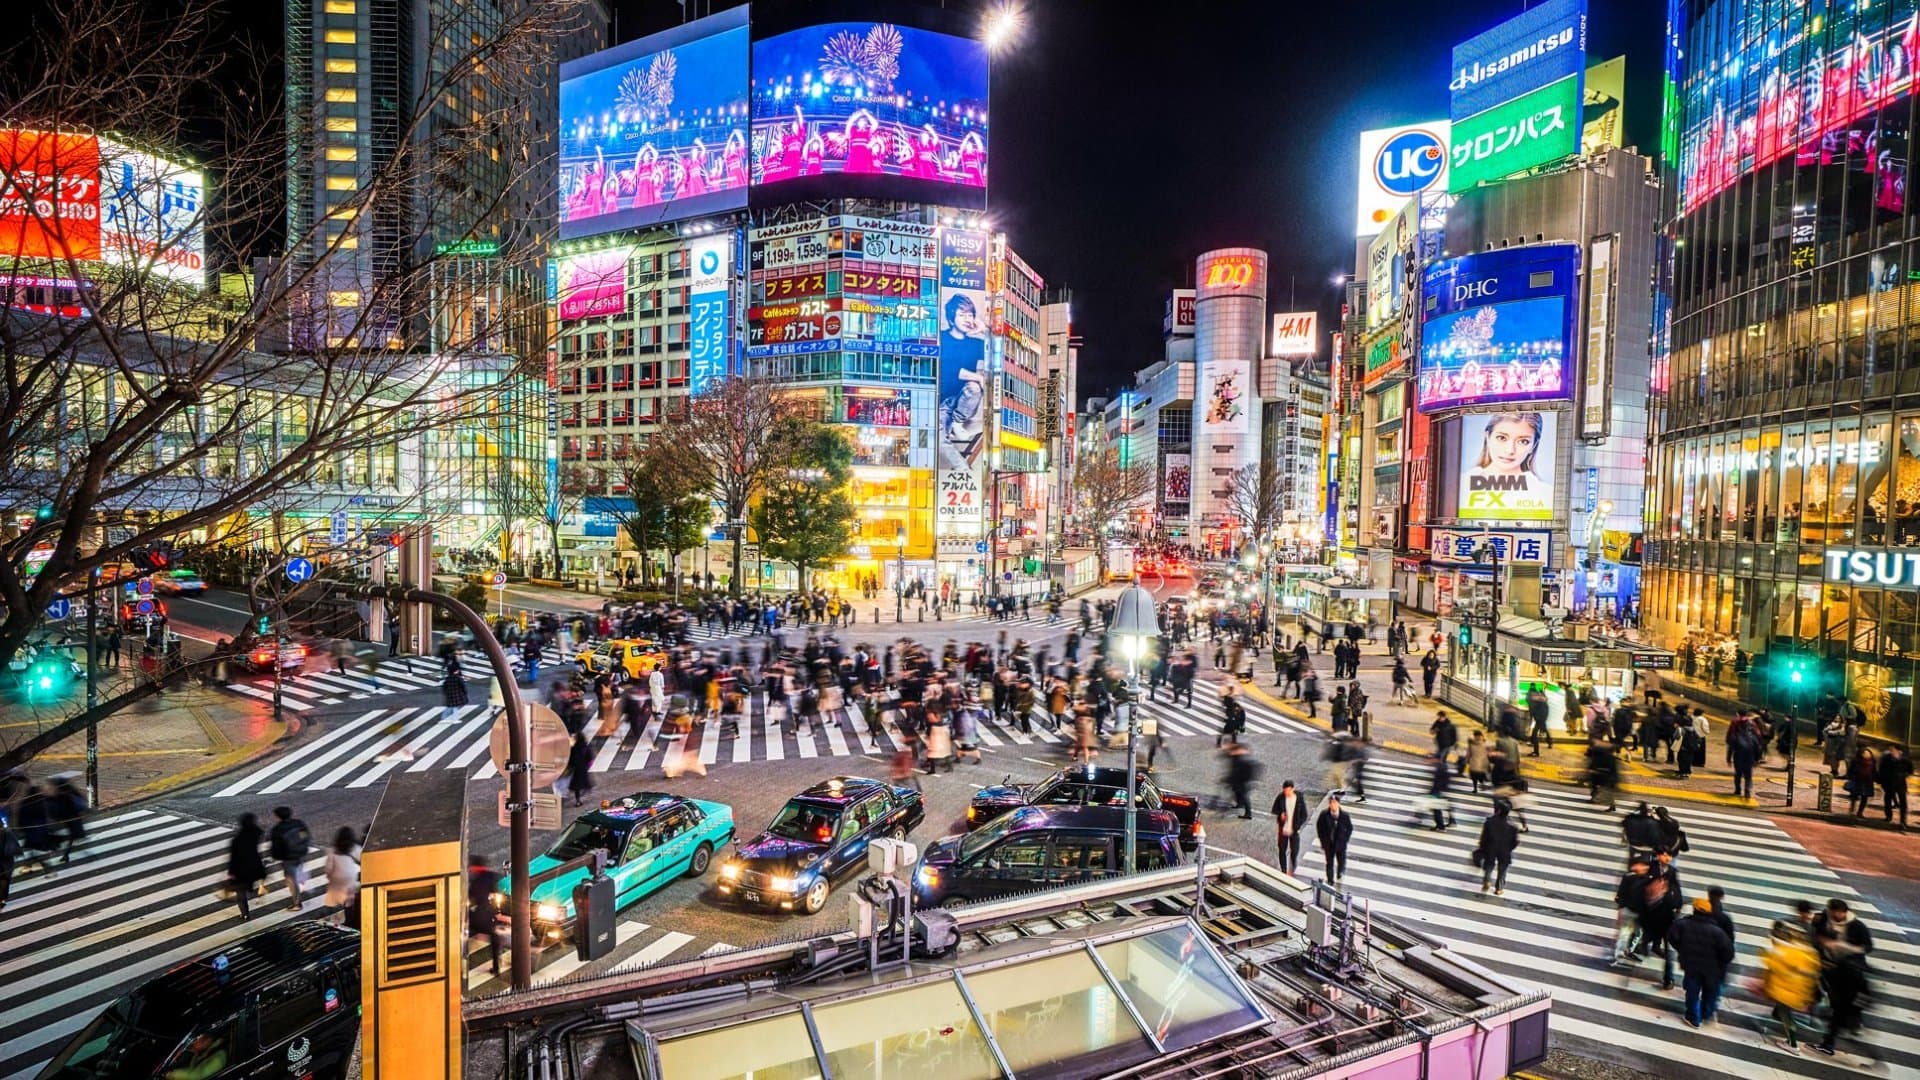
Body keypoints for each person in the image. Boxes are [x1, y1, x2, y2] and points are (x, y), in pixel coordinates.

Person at [1813, 898, 1874, 1057]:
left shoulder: (1857, 926)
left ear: (1845, 912)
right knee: (1837, 1002)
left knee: (1842, 1006)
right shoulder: (1822, 920)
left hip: (1848, 971)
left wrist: (1847, 948)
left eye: (1839, 913)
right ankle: (1842, 1026)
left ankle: (1831, 1040)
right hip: (1829, 967)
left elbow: (1867, 946)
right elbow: (1816, 937)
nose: (1836, 915)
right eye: (1833, 912)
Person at [1760, 901, 1822, 1052]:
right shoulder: (1807, 949)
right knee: (1782, 1008)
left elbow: (1773, 961)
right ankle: (1777, 1013)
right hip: (1798, 985)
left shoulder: (1786, 951)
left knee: (1786, 1012)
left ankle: (1792, 1044)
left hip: (1786, 987)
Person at [1666, 897, 1735, 1028]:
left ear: (1695, 910)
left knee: (1692, 991)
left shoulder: (1683, 924)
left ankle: (1693, 1017)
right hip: (1712, 969)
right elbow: (1728, 953)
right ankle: (1706, 1013)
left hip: (1691, 966)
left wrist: (1682, 949)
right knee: (1710, 991)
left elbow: (1672, 937)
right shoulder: (1717, 932)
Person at [267, 805, 311, 913]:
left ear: (278, 817)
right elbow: (306, 835)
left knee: (291, 880)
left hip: (288, 858)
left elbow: (276, 848)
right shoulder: (298, 823)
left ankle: (297, 903)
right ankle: (300, 884)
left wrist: (275, 857)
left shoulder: (278, 829)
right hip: (301, 853)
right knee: (297, 872)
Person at [468, 854, 505, 977]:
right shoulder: (492, 876)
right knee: (494, 938)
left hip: (480, 915)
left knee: (469, 931)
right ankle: (496, 966)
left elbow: (471, 898)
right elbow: (496, 893)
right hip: (489, 914)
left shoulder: (476, 882)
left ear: (475, 867)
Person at [225, 813, 268, 921]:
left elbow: (234, 858)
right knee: (249, 884)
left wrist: (231, 872)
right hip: (255, 864)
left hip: (240, 868)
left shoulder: (237, 839)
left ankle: (245, 913)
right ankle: (252, 890)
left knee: (240, 892)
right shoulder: (256, 833)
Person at [1476, 798, 1520, 895]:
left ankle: (1487, 880)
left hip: (1491, 848)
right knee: (1503, 869)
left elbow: (1484, 837)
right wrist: (1509, 848)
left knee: (1489, 865)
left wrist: (1482, 846)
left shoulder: (1489, 822)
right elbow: (1515, 842)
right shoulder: (1513, 826)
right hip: (1504, 850)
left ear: (1498, 810)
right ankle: (1499, 888)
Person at [324, 826, 361, 928]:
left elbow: (328, 868)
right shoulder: (356, 848)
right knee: (352, 900)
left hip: (338, 879)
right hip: (350, 878)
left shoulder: (333, 850)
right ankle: (353, 921)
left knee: (345, 900)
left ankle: (347, 920)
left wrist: (329, 877)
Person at [1316, 791, 1353, 886]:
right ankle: (1330, 879)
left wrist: (1345, 839)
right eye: (1331, 803)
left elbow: (1349, 828)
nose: (1333, 805)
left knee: (1341, 860)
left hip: (1340, 843)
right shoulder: (1324, 815)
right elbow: (1319, 828)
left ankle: (1340, 872)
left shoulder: (1344, 815)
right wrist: (1323, 841)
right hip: (1329, 844)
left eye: (1335, 803)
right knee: (1329, 862)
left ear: (1338, 803)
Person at [1272, 780, 1308, 876]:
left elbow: (1304, 814)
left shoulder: (1299, 798)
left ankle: (1292, 868)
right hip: (1283, 829)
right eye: (1285, 791)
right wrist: (1281, 815)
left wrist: (1298, 825)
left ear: (1292, 789)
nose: (1286, 793)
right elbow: (1274, 809)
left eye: (1288, 791)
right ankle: (1283, 870)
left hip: (1294, 829)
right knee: (1282, 849)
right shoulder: (1281, 797)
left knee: (1294, 850)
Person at [1879, 744, 1912, 827]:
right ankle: (1888, 816)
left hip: (1900, 783)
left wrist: (1903, 775)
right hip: (1889, 783)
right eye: (1891, 750)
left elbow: (1910, 770)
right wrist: (1882, 781)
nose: (1892, 752)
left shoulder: (1905, 760)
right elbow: (1881, 769)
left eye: (1894, 750)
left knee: (1903, 802)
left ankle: (1903, 820)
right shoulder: (1886, 759)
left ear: (1900, 751)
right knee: (1888, 800)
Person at [1223, 744, 1257, 820]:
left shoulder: (1242, 759)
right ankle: (1239, 804)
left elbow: (1239, 771)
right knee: (1237, 792)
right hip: (1238, 780)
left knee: (1244, 796)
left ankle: (1248, 813)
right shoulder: (1236, 757)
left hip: (1242, 781)